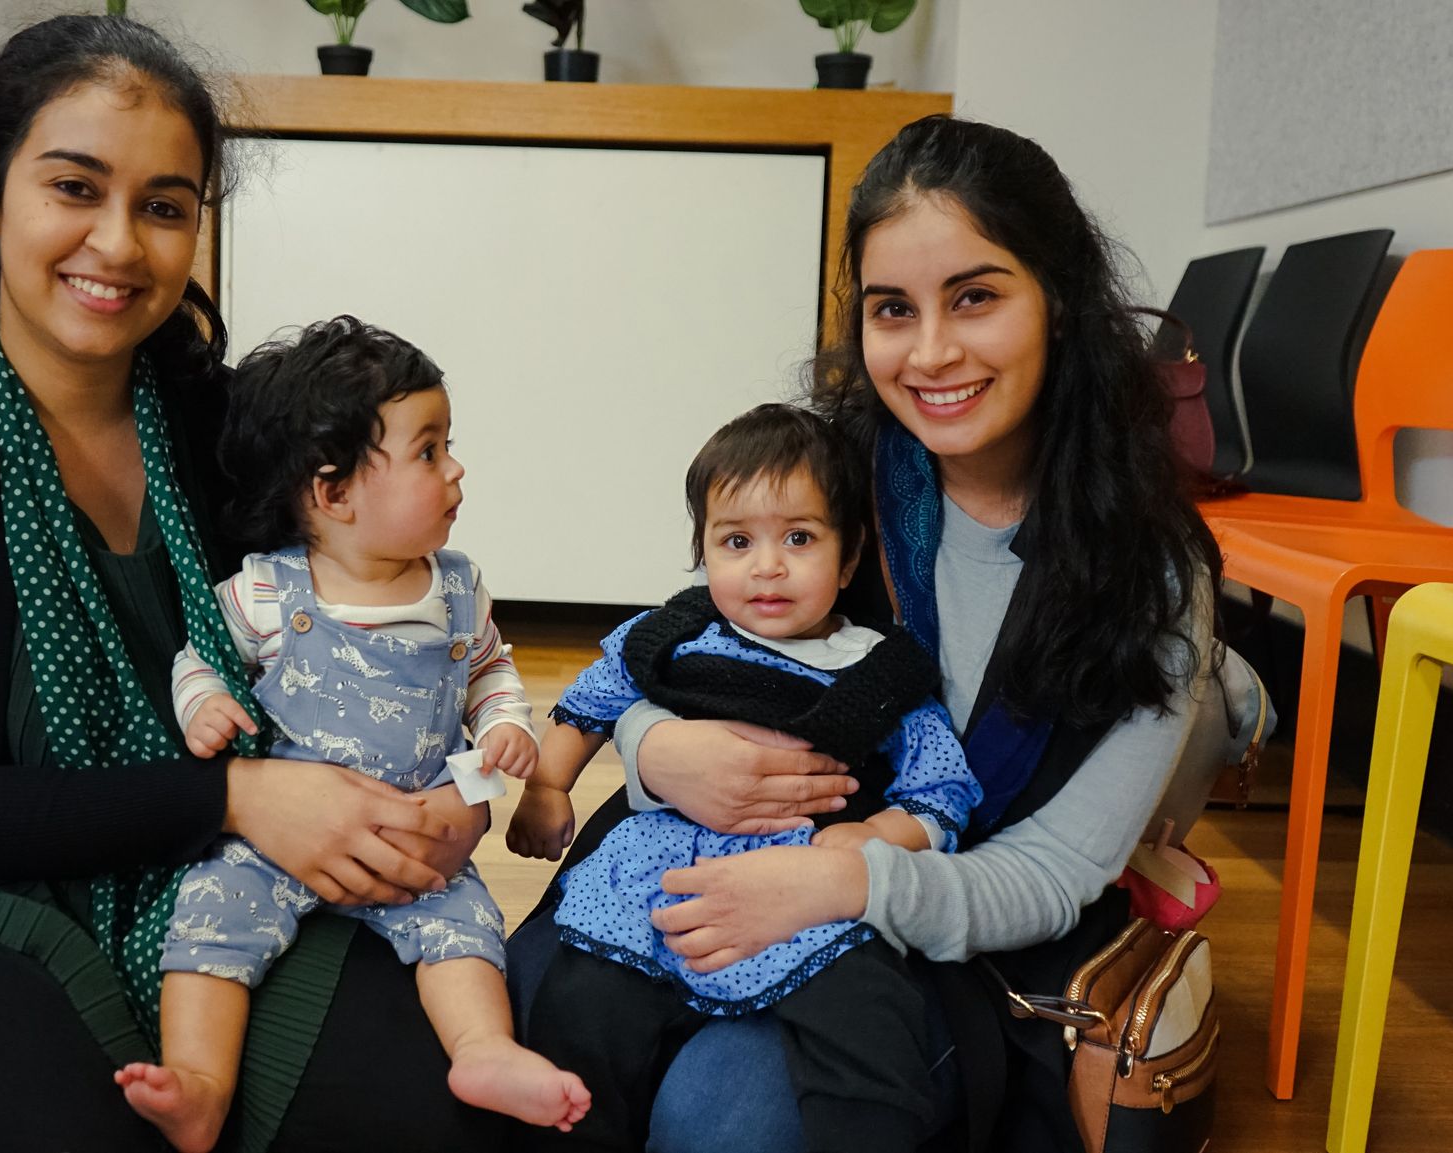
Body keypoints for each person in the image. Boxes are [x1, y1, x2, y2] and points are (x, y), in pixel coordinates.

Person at [0, 18, 503, 1152]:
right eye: (75, 186)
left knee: (434, 1120)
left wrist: (437, 788)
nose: (118, 244)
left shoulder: (215, 426)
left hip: (218, 878)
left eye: (165, 206)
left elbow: (369, 617)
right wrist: (236, 797)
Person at [509, 113, 1245, 1153]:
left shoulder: (1145, 575)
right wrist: (654, 748)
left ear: (1059, 306)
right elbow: (687, 641)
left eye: (976, 296)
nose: (931, 351)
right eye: (892, 309)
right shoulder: (837, 474)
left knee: (715, 1116)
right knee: (526, 1028)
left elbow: (1044, 874)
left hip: (941, 933)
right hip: (707, 851)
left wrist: (839, 879)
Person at [114, 316, 590, 1150]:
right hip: (277, 843)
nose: (457, 468)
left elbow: (490, 676)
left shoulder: (457, 589)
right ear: (332, 493)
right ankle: (200, 1079)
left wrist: (502, 739)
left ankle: (484, 1050)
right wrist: (203, 706)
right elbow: (198, 660)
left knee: (465, 931)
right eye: (430, 450)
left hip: (418, 842)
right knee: (211, 915)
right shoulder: (267, 591)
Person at [510, 403, 981, 1152]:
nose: (767, 566)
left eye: (799, 538)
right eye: (737, 541)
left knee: (868, 1021)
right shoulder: (675, 633)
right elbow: (595, 698)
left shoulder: (880, 671)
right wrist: (547, 786)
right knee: (579, 1013)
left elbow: (940, 789)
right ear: (702, 551)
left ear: (850, 556)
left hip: (804, 892)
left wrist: (872, 836)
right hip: (658, 881)